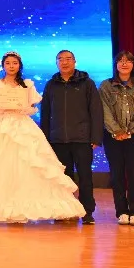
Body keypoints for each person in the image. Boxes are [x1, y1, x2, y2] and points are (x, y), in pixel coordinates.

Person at [0, 52, 86, 223]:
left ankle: (32, 207)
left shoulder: (27, 85)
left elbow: (32, 107)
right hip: (2, 127)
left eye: (15, 63)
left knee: (30, 163)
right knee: (3, 166)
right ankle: (7, 209)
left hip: (23, 126)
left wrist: (23, 107)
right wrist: (2, 107)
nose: (11, 66)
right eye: (8, 63)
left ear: (20, 65)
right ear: (3, 66)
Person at [40, 49, 103, 224]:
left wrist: (96, 137)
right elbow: (45, 114)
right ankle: (64, 211)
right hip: (57, 140)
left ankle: (87, 212)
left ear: (75, 62)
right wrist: (45, 139)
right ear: (56, 63)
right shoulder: (51, 85)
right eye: (60, 59)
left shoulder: (87, 83)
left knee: (85, 178)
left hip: (82, 139)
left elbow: (96, 111)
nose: (64, 62)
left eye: (68, 59)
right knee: (62, 179)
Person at [99, 51, 134, 226]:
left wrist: (130, 131)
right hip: (113, 137)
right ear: (115, 65)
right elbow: (104, 111)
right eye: (120, 61)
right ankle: (121, 211)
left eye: (128, 61)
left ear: (133, 65)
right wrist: (116, 130)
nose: (124, 63)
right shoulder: (106, 86)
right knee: (117, 175)